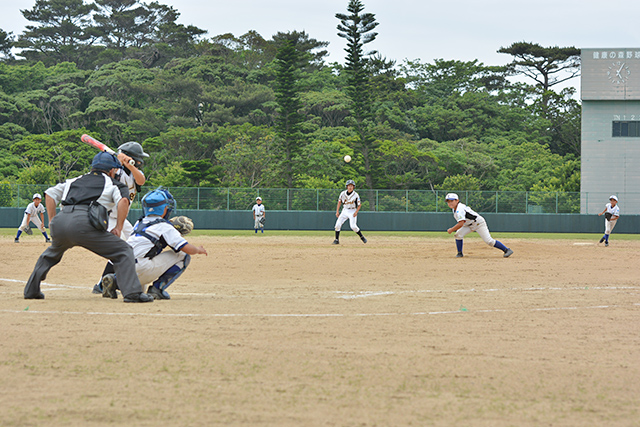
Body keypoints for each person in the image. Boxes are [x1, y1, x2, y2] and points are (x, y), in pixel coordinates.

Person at [23, 152, 153, 303]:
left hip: (61, 221)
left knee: (49, 256)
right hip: (85, 223)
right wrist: (118, 227)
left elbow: (50, 194)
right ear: (112, 170)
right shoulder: (113, 183)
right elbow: (124, 201)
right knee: (124, 251)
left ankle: (31, 290)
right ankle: (132, 293)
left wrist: (52, 222)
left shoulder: (74, 180)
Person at [101, 188, 208, 301]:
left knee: (141, 283)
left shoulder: (139, 223)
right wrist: (198, 249)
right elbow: (186, 248)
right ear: (165, 209)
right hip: (141, 268)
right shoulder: (165, 227)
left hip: (123, 268)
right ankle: (157, 289)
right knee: (183, 255)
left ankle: (115, 280)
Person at [92, 141, 149, 294]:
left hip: (121, 219)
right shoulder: (115, 170)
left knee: (136, 244)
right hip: (108, 216)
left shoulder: (132, 173)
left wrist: (130, 165)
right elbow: (106, 170)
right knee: (121, 248)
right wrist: (119, 159)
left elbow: (141, 180)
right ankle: (101, 284)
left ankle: (113, 281)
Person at [445, 193, 513, 258]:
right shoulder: (455, 208)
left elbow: (461, 223)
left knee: (489, 241)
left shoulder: (460, 209)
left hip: (478, 223)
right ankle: (460, 253)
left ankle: (507, 250)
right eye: (448, 201)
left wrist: (451, 229)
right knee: (458, 235)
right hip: (468, 225)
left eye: (452, 201)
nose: (450, 203)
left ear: (457, 200)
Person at [333, 179, 367, 245]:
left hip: (352, 210)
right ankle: (336, 240)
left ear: (353, 187)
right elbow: (339, 202)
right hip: (345, 210)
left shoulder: (356, 195)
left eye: (351, 186)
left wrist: (356, 212)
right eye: (349, 186)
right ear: (347, 186)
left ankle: (362, 237)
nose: (350, 187)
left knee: (353, 226)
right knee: (337, 225)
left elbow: (359, 205)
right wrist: (337, 211)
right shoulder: (342, 193)